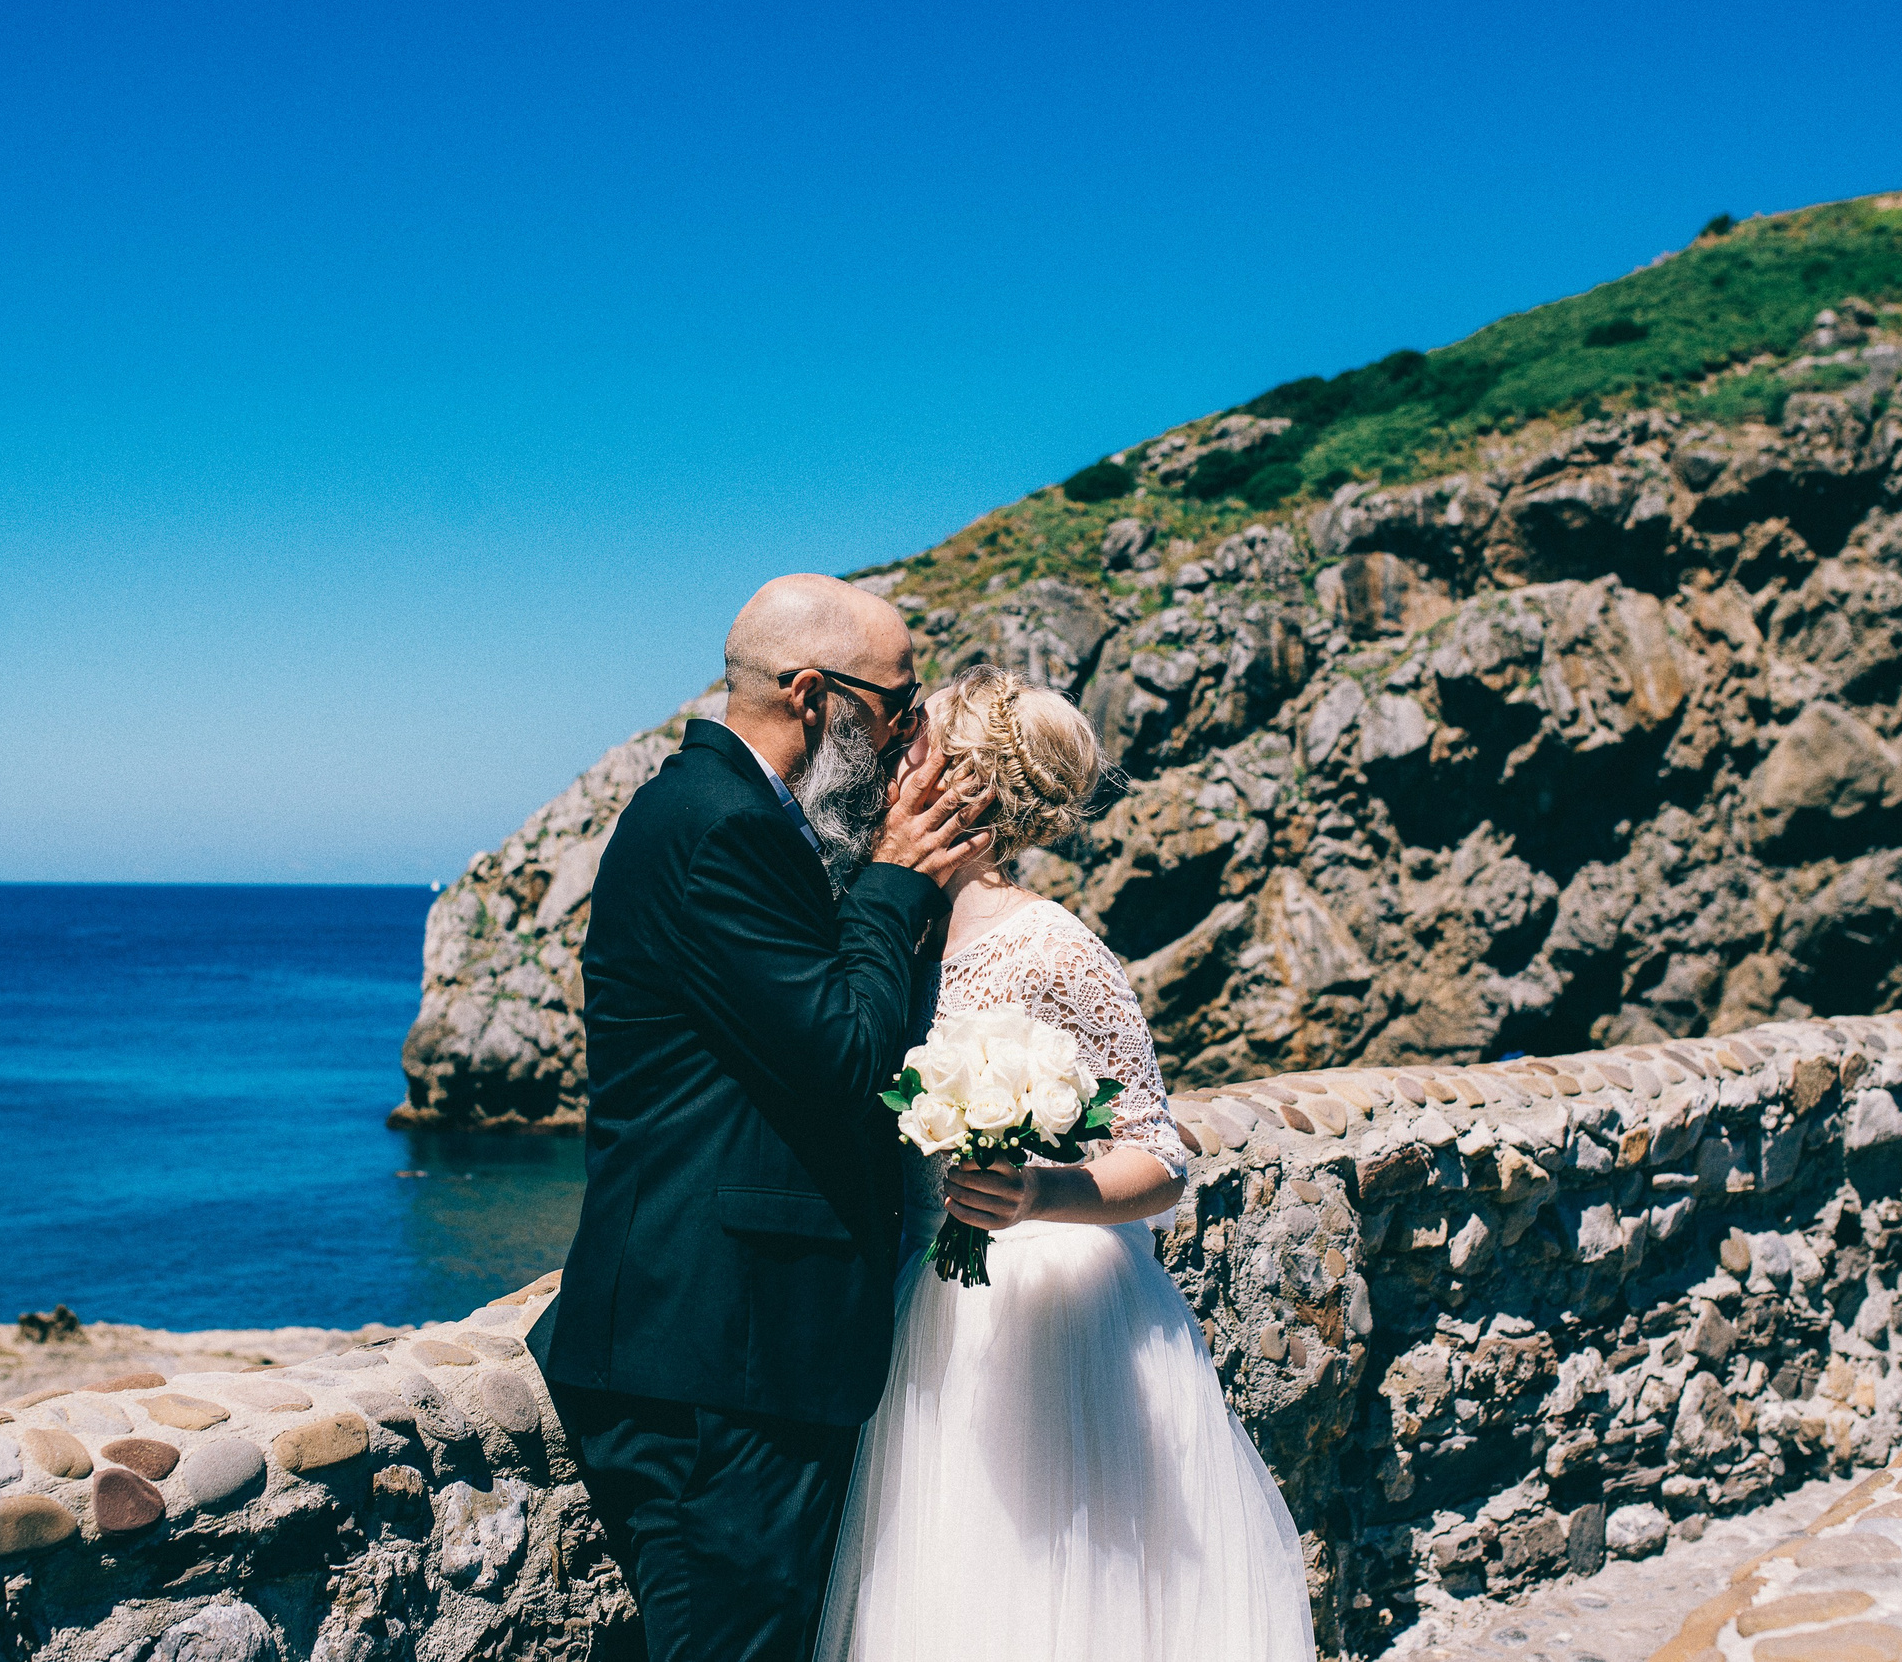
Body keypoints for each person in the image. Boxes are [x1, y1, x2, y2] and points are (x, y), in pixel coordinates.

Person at [530, 572, 997, 1662]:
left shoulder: (751, 821)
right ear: (809, 696)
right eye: (895, 703)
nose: (904, 734)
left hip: (734, 1353)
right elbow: (845, 1055)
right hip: (711, 1364)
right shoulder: (722, 826)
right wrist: (895, 882)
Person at [813, 664, 1318, 1662]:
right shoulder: (892, 928)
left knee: (1052, 1591)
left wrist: (1037, 1191)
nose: (890, 748)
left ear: (967, 783)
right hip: (927, 1302)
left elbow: (1161, 1158)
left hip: (1045, 1315)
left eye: (915, 738)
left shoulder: (1054, 948)